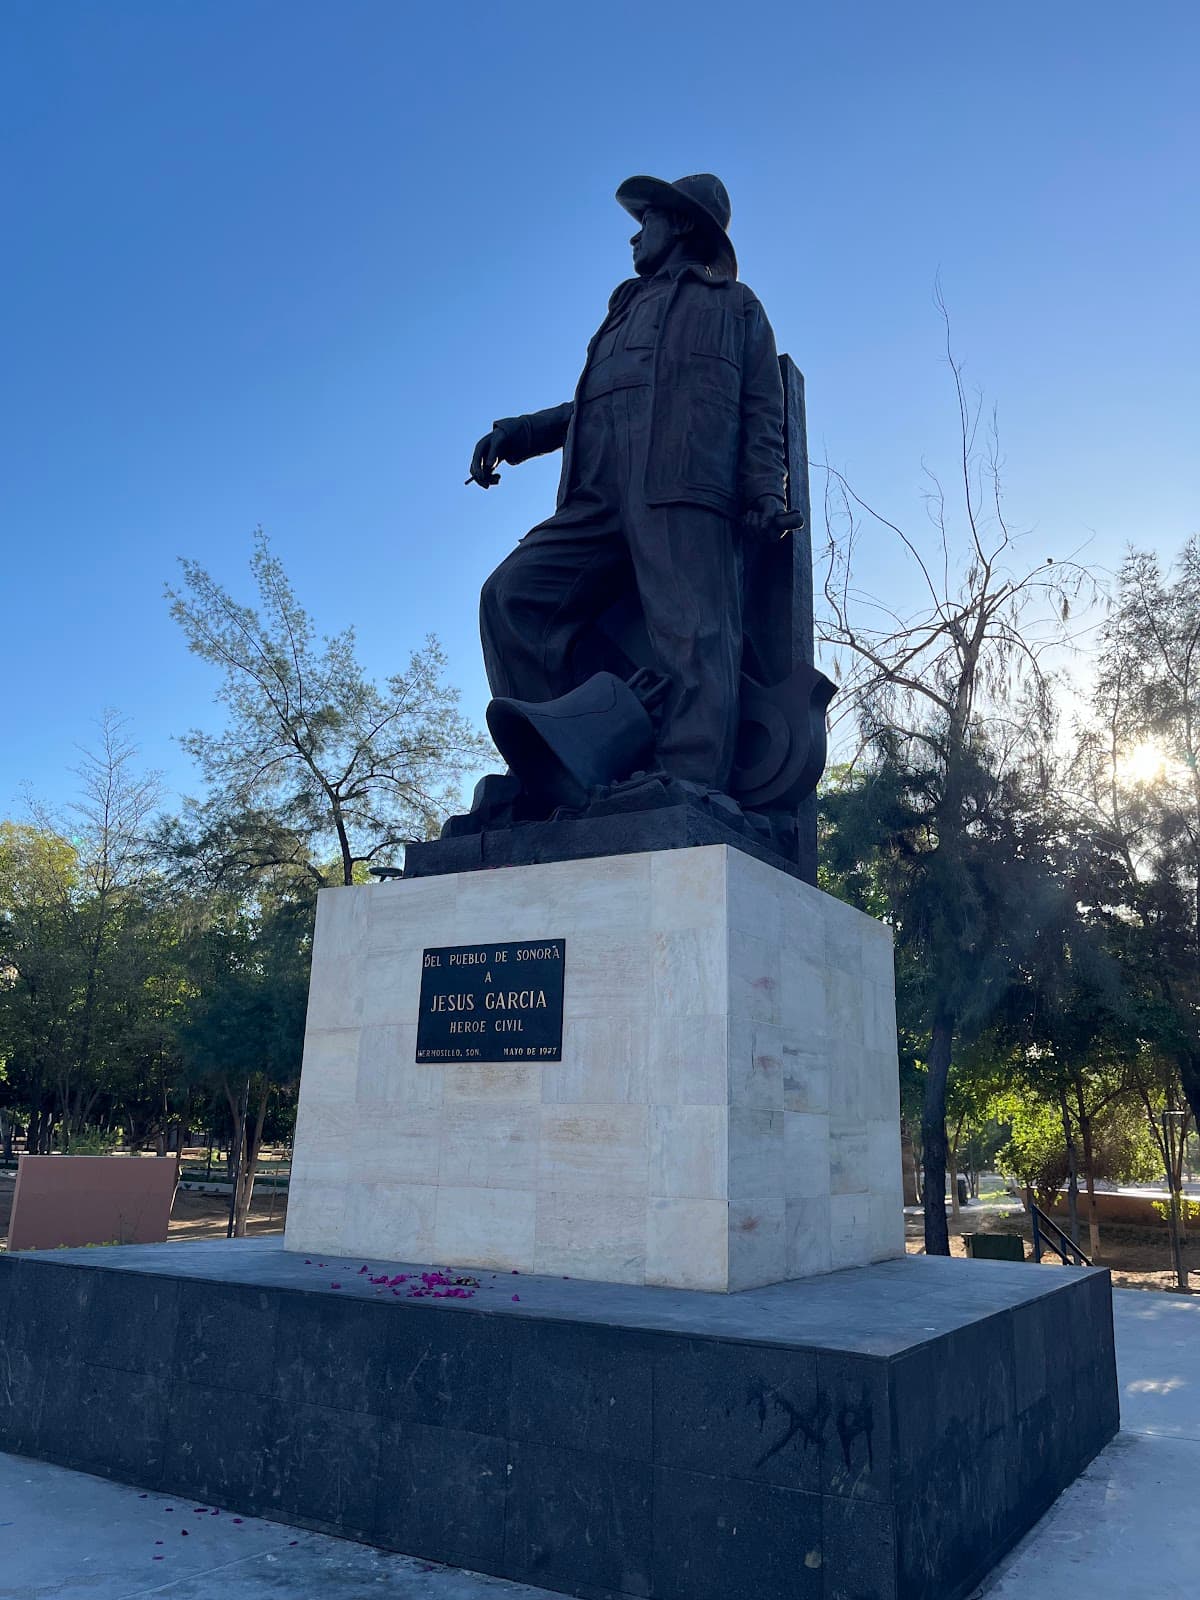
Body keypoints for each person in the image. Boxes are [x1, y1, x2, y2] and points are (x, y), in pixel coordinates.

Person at [468, 173, 787, 792]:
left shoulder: (735, 306)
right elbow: (595, 402)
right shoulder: (623, 309)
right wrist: (522, 433)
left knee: (694, 635)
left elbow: (762, 408)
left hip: (683, 483)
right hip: (597, 494)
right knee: (510, 597)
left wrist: (763, 491)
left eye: (647, 221)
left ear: (684, 224)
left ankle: (687, 781)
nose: (635, 237)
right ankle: (563, 764)